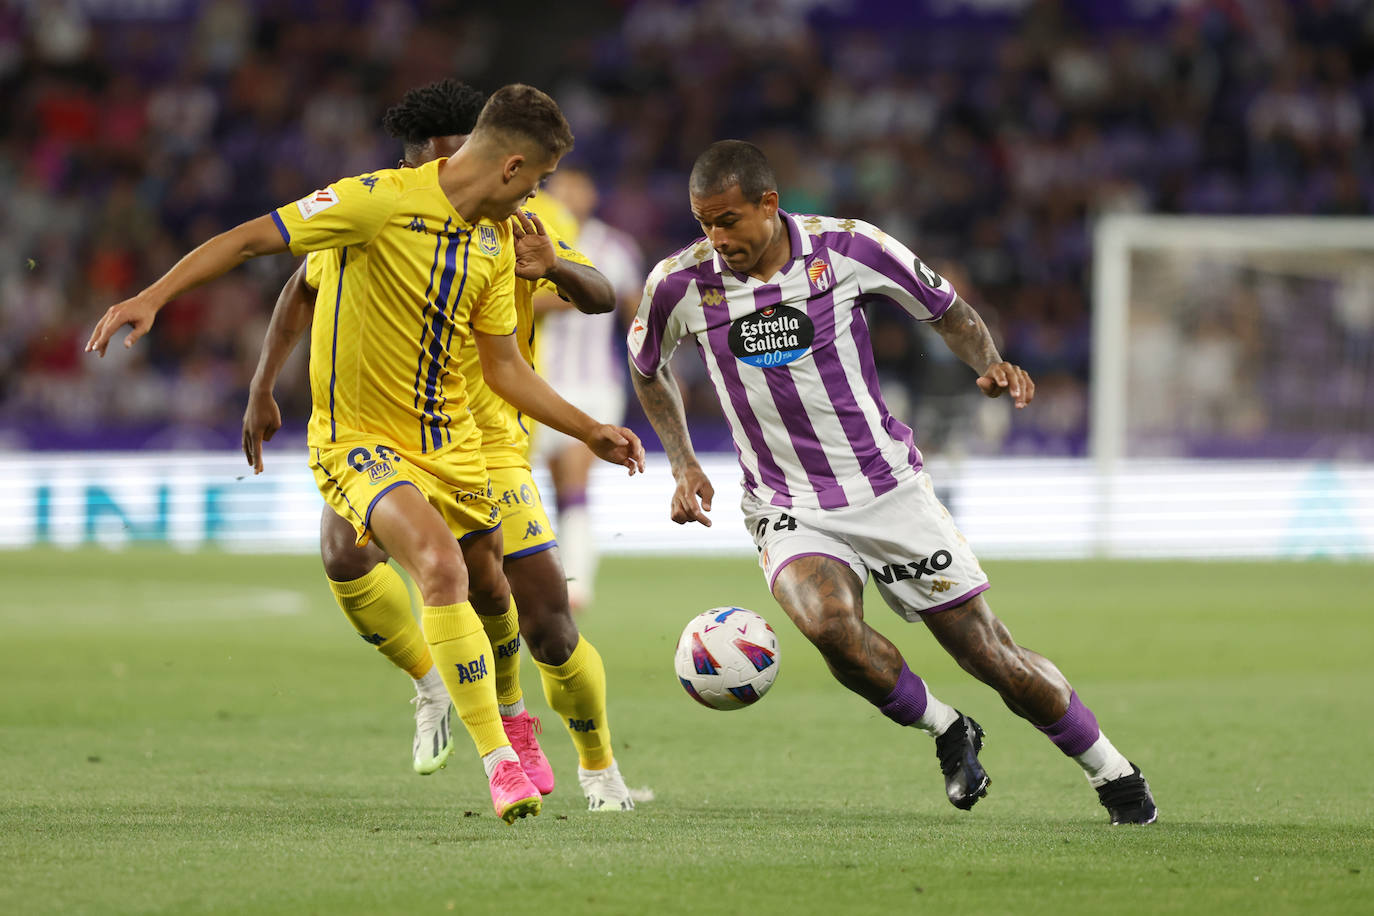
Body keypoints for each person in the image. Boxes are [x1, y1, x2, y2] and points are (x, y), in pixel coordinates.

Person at [87, 84, 645, 825]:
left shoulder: (506, 233)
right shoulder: (374, 204)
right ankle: (485, 741)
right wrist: (168, 308)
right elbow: (279, 262)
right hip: (365, 440)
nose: (540, 193)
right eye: (537, 179)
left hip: (476, 443)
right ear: (498, 163)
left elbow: (532, 345)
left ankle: (574, 754)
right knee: (381, 560)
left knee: (527, 611)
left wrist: (585, 416)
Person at [627, 140, 1156, 825]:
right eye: (704, 223)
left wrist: (989, 364)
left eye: (729, 220)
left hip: (886, 490)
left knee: (991, 657)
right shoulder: (679, 284)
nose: (717, 238)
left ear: (769, 203)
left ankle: (1111, 772)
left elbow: (947, 309)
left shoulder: (848, 247)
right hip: (787, 503)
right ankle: (947, 730)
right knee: (830, 629)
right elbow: (646, 367)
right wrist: (683, 461)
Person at [241, 79, 638, 812]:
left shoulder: (520, 208)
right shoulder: (386, 209)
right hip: (387, 431)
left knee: (545, 620)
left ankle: (595, 764)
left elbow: (600, 291)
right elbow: (303, 281)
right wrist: (265, 383)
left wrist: (552, 267)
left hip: (487, 436)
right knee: (347, 553)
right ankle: (434, 685)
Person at [531, 168, 646, 610]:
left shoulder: (614, 246)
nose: (568, 197)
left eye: (577, 189)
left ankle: (575, 585)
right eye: (561, 190)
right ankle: (543, 572)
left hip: (595, 383)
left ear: (593, 194)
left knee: (574, 479)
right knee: (536, 486)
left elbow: (635, 312)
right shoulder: (527, 236)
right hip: (536, 379)